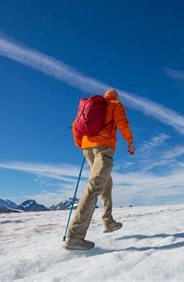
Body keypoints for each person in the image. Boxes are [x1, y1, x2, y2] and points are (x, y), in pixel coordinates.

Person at [64, 89, 135, 251]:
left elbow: (76, 126)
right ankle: (75, 236)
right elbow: (123, 123)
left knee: (106, 183)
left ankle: (108, 221)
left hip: (88, 148)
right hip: (104, 148)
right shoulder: (115, 105)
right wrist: (130, 142)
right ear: (116, 96)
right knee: (95, 186)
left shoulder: (90, 107)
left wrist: (82, 146)